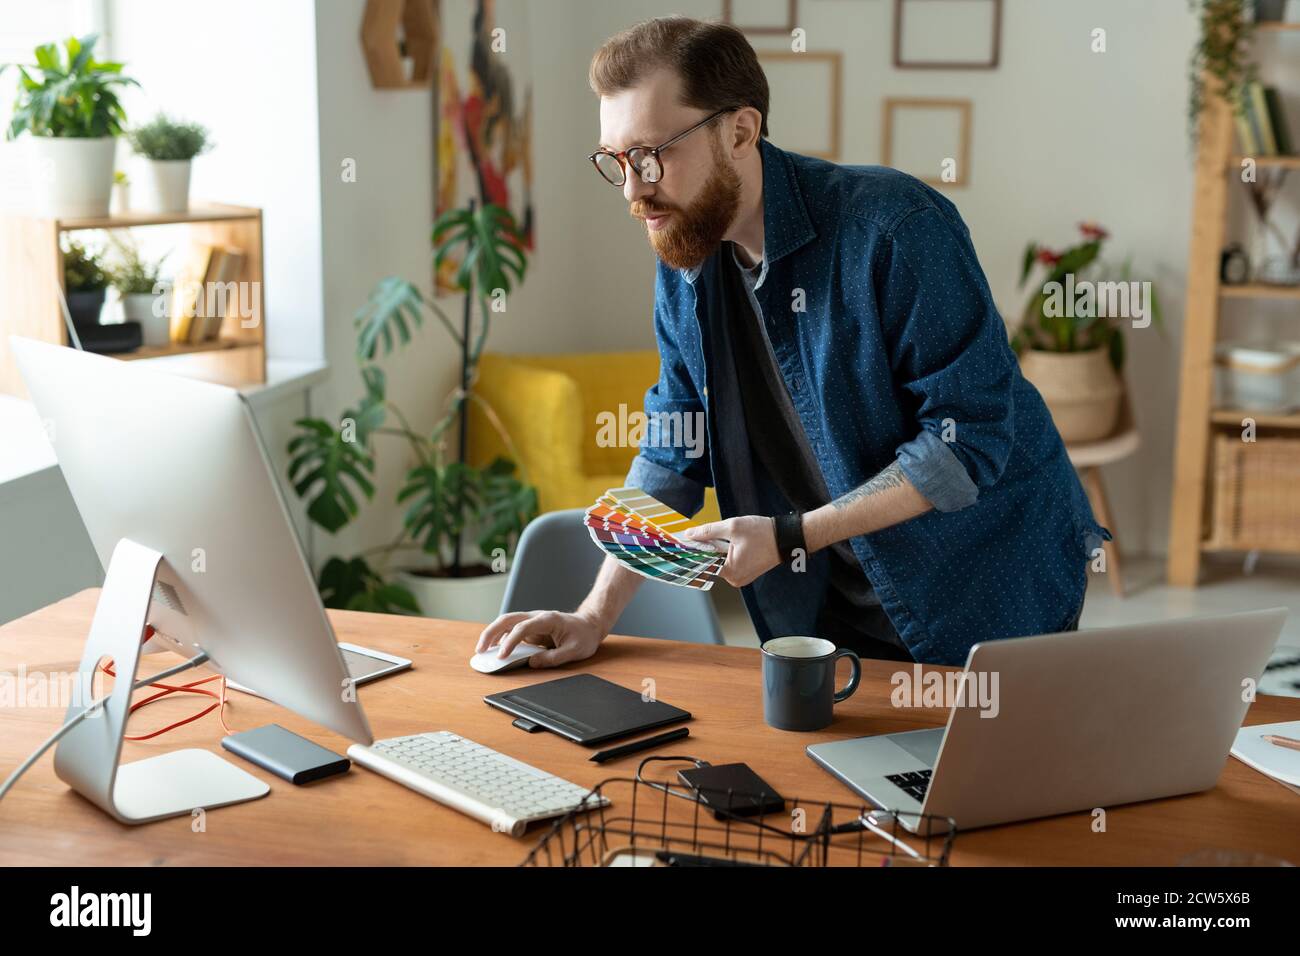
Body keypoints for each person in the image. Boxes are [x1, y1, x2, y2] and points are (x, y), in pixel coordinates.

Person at [477, 16, 1107, 669]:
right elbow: (673, 449)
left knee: (979, 771)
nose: (635, 190)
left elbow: (965, 443)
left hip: (986, 585)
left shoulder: (895, 229)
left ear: (741, 131)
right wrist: (591, 616)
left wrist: (791, 535)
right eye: (616, 161)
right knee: (848, 772)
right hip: (831, 602)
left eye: (650, 154)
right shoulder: (684, 259)